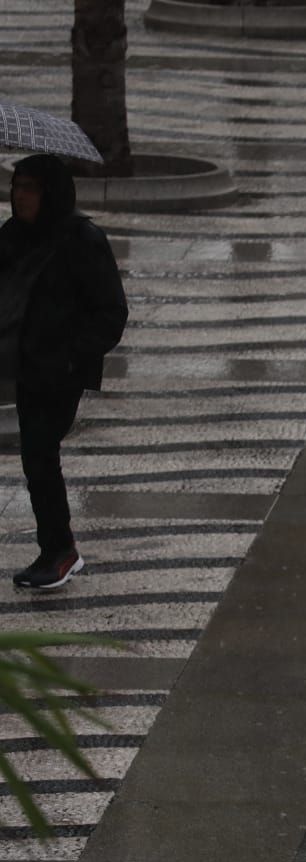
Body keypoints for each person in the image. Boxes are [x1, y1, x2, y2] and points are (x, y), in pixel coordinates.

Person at [0, 154, 127, 590]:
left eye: (31, 187)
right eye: (17, 185)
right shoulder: (14, 236)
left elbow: (111, 312)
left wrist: (71, 357)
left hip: (59, 371)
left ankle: (60, 551)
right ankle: (56, 548)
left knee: (39, 453)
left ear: (52, 192)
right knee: (36, 459)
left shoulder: (81, 239)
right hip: (23, 363)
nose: (20, 195)